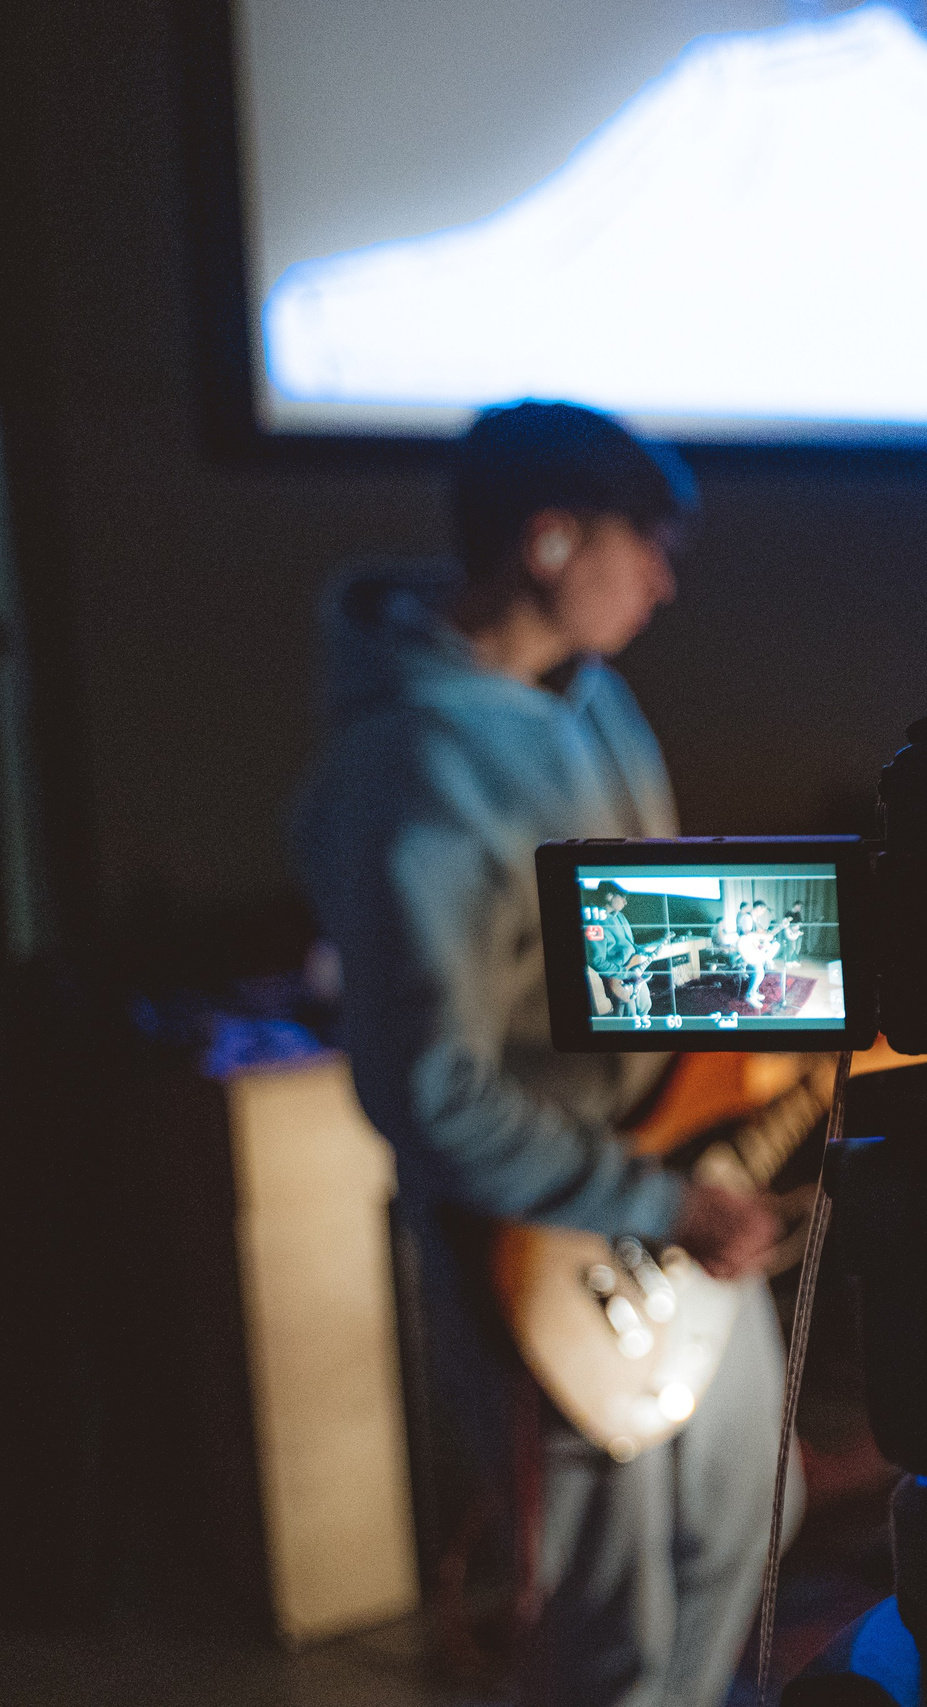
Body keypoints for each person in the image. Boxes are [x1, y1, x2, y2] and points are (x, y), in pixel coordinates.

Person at [295, 400, 799, 1707]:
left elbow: (636, 951)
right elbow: (431, 1093)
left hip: (675, 1193)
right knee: (610, 1624)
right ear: (549, 537)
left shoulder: (592, 697)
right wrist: (662, 1199)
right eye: (646, 544)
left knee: (748, 1523)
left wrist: (803, 978)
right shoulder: (410, 770)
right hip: (542, 1246)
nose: (664, 580)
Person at [584, 881, 653, 1015]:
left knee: (645, 1006)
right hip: (617, 979)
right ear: (609, 896)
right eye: (623, 897)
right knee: (629, 1016)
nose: (625, 902)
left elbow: (627, 945)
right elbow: (596, 961)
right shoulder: (593, 922)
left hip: (634, 972)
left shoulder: (620, 916)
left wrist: (640, 949)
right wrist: (625, 974)